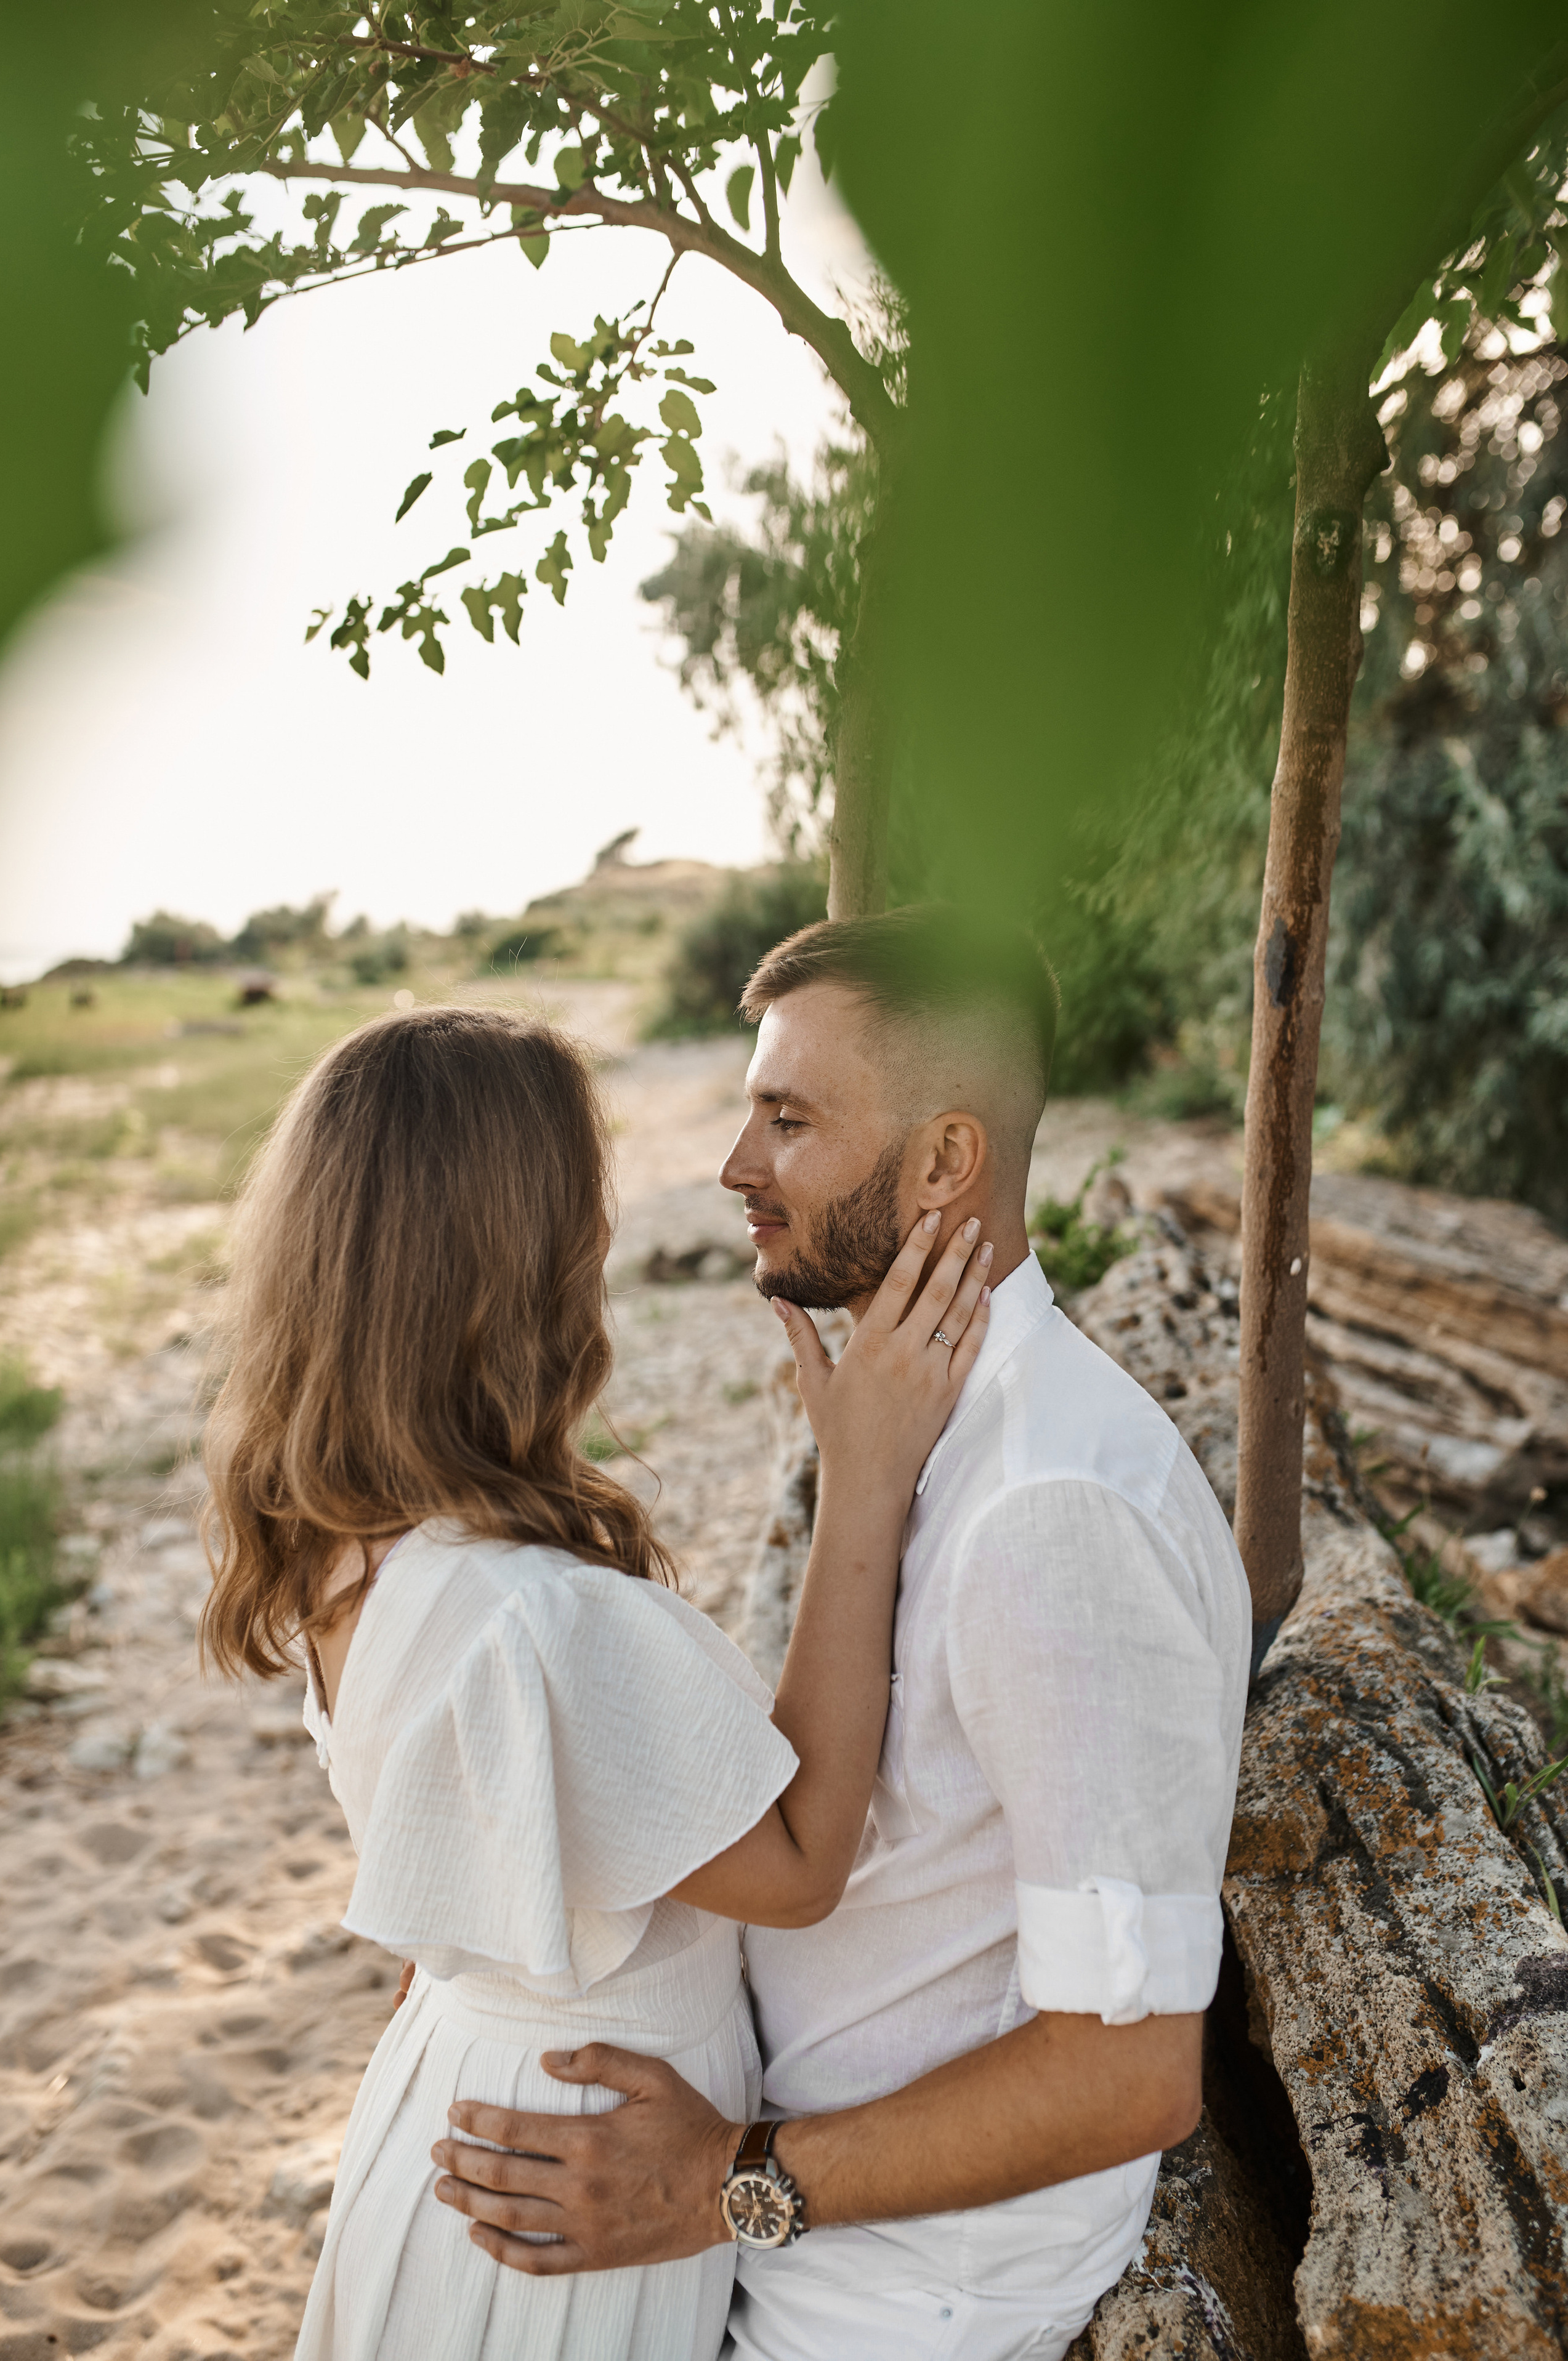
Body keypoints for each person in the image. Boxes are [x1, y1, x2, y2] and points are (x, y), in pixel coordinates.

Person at [427, 907, 1252, 2361]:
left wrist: (722, 2186)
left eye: (787, 1120)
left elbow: (1125, 2079)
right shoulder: (930, 1433)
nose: (737, 1168)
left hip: (889, 2301)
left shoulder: (1046, 1514)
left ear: (945, 1161)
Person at [195, 1003, 993, 2361]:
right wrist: (862, 1478)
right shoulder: (542, 1621)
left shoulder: (350, 1539)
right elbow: (799, 1866)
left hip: (457, 2097)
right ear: (522, 1263)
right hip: (570, 2183)